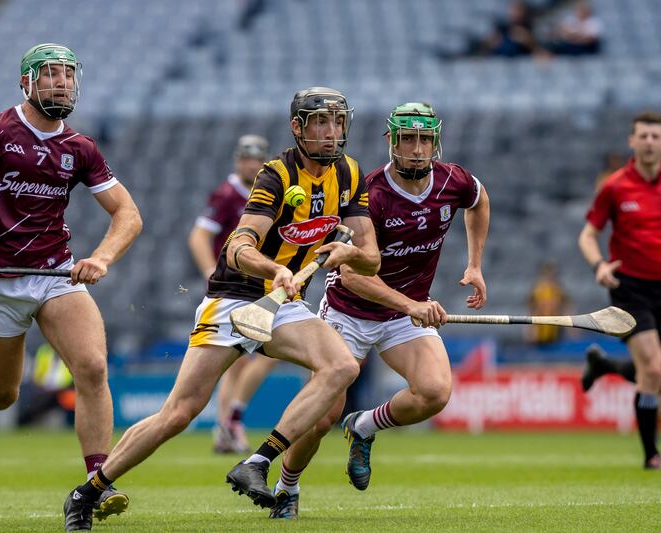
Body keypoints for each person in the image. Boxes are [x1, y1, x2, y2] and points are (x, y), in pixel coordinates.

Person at [62, 86, 380, 531]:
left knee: (342, 367)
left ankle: (257, 461)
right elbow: (237, 247)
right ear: (298, 127)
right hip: (235, 300)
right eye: (320, 123)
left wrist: (349, 254)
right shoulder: (276, 175)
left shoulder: (348, 173)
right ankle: (88, 492)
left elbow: (372, 256)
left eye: (338, 122)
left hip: (283, 307)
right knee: (179, 413)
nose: (331, 133)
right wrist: (276, 271)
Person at [0, 43, 142, 519]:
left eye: (68, 74)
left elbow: (127, 213)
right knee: (1, 395)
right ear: (27, 82)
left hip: (55, 274)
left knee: (93, 367)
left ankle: (94, 484)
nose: (62, 82)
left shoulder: (80, 149)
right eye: (50, 74)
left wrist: (100, 257)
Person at [267, 102, 489, 519]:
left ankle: (365, 426)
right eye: (408, 139)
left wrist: (474, 264)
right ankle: (286, 488)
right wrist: (412, 305)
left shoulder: (452, 180)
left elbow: (479, 200)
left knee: (435, 392)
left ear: (435, 142)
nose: (417, 149)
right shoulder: (369, 193)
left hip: (402, 317)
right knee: (321, 417)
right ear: (392, 142)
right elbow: (351, 276)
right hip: (348, 312)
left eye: (425, 140)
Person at [578, 111, 661, 470]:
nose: (649, 142)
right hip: (631, 290)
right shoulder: (615, 186)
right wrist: (599, 265)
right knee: (654, 370)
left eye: (656, 137)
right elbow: (588, 235)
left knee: (654, 372)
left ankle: (605, 365)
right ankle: (650, 455)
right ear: (632, 141)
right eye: (643, 136)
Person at [187, 134, 277, 454]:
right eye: (245, 159)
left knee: (258, 358)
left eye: (256, 159)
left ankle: (227, 424)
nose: (250, 165)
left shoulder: (268, 191)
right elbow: (199, 235)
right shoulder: (228, 193)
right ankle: (228, 424)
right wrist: (210, 270)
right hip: (234, 288)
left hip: (259, 286)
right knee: (243, 359)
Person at [525, 261, 570, 345]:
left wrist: (571, 330)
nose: (549, 277)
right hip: (540, 327)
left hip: (556, 327)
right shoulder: (536, 289)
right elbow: (530, 310)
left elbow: (566, 308)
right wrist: (529, 330)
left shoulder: (559, 290)